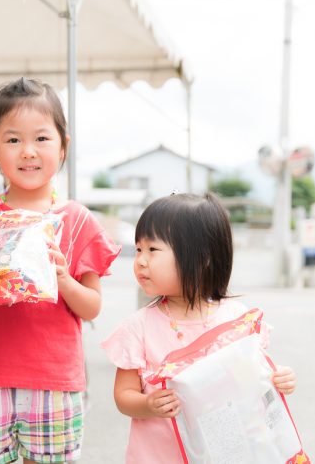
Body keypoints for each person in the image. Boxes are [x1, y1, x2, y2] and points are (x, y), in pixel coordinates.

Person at [0, 77, 121, 464]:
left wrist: (64, 279)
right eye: (13, 139)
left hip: (53, 381)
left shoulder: (76, 220)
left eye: (41, 138)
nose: (28, 152)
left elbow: (91, 308)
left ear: (63, 146)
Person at [101, 193, 297, 463]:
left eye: (153, 250)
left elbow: (252, 381)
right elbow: (123, 396)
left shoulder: (237, 321)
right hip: (158, 456)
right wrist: (148, 405)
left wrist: (277, 379)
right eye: (138, 249)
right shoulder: (138, 328)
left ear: (202, 257)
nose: (141, 261)